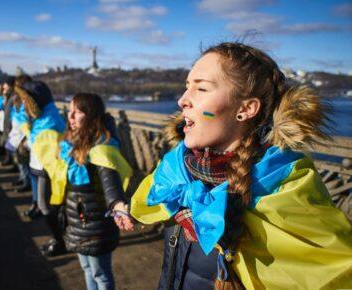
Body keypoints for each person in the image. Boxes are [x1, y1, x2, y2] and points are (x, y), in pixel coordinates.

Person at [130, 42, 352, 290]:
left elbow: (335, 271)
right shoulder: (176, 167)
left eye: (201, 88)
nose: (182, 100)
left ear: (245, 109)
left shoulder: (285, 188)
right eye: (186, 87)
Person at [49, 93, 134, 290]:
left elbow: (109, 178)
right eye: (69, 111)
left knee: (100, 274)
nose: (69, 117)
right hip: (78, 221)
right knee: (87, 268)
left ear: (91, 115)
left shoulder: (102, 147)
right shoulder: (71, 142)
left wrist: (118, 205)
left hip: (95, 223)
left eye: (76, 112)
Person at [15, 80, 67, 255]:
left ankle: (60, 241)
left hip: (46, 167)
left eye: (26, 100)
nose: (24, 104)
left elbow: (44, 146)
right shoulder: (43, 116)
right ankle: (58, 238)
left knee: (46, 205)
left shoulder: (49, 121)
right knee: (45, 205)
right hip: (40, 165)